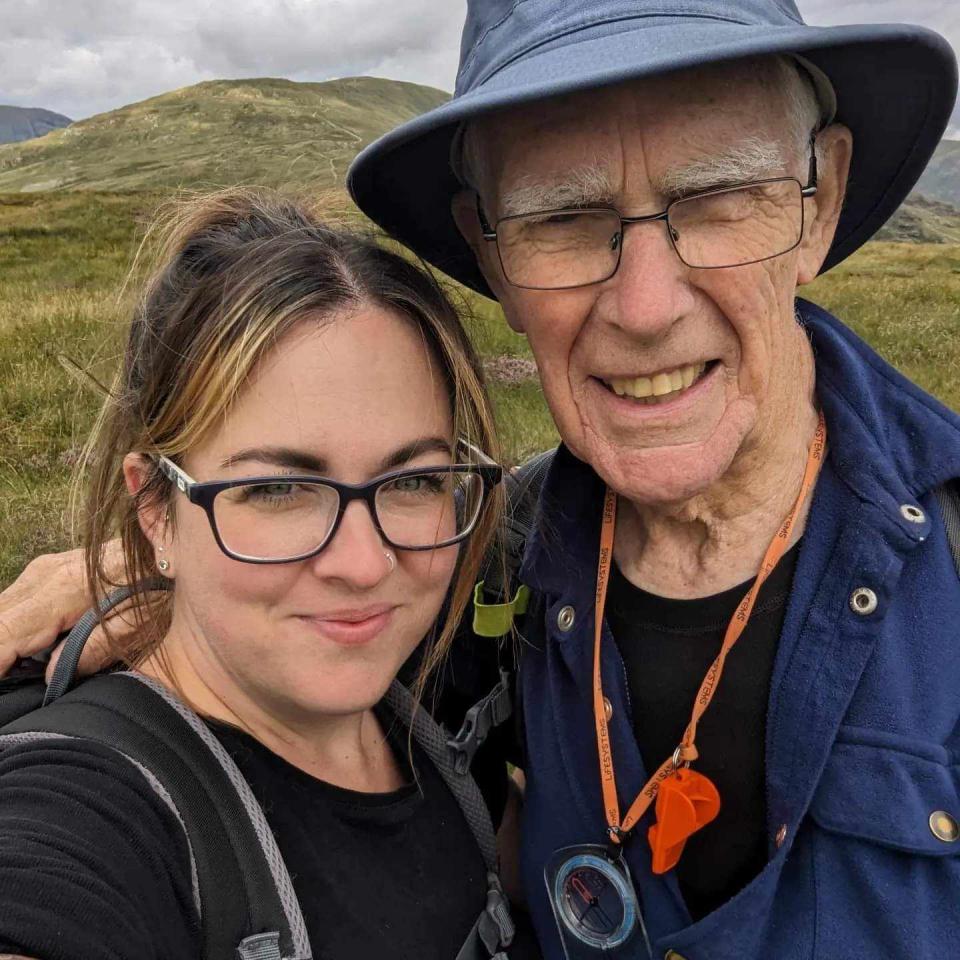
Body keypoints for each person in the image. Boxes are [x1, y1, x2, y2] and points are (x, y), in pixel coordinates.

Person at [3, 1, 959, 958]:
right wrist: (153, 564)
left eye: (716, 198)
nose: (646, 305)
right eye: (563, 218)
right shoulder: (484, 564)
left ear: (818, 198)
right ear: (491, 250)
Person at [0, 189, 539, 960]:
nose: (363, 564)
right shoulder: (91, 806)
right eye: (279, 490)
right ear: (155, 509)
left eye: (413, 480)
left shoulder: (431, 695)